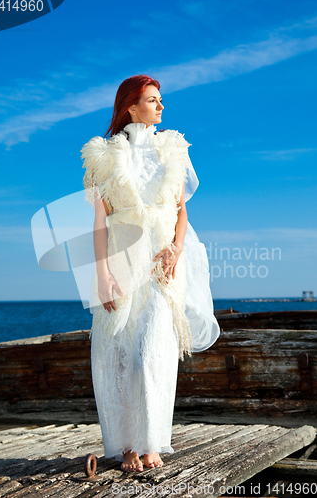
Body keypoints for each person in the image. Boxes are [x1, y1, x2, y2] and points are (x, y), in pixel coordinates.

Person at [80, 75, 220, 473]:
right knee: (119, 354)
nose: (161, 107)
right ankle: (127, 446)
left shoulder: (172, 149)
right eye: (153, 100)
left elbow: (181, 212)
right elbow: (99, 223)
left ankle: (152, 440)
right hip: (122, 261)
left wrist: (177, 249)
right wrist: (101, 273)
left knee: (151, 352)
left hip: (162, 265)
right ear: (131, 105)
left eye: (161, 100)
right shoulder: (103, 156)